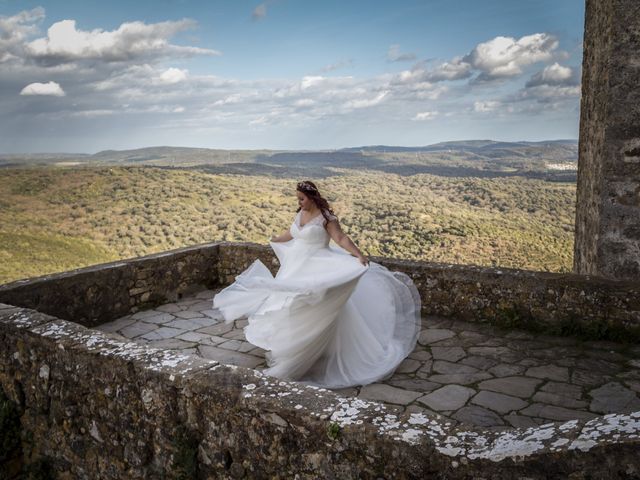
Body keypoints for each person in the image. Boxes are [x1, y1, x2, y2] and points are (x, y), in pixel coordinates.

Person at [211, 180, 421, 389]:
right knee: (290, 305)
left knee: (316, 305)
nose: (299, 203)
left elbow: (340, 237)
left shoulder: (327, 217)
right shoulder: (300, 213)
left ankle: (313, 348)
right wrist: (275, 238)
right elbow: (291, 233)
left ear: (312, 197)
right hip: (295, 267)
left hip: (318, 265)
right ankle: (295, 343)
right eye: (298, 199)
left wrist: (358, 254)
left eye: (302, 199)